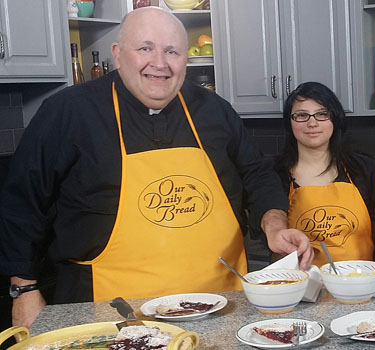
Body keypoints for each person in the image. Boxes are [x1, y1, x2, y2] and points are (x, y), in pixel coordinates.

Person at [0, 7, 312, 328]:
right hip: (106, 313)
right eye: (145, 48)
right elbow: (22, 204)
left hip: (220, 307)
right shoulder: (68, 112)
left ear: (185, 61)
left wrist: (274, 224)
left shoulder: (215, 111)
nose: (160, 63)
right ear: (118, 54)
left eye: (172, 51)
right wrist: (23, 289)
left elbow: (257, 175)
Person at [273, 82, 375, 267]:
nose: (312, 123)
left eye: (322, 114)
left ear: (335, 119)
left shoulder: (363, 170)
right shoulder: (275, 176)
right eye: (301, 115)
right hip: (299, 288)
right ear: (289, 122)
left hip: (361, 283)